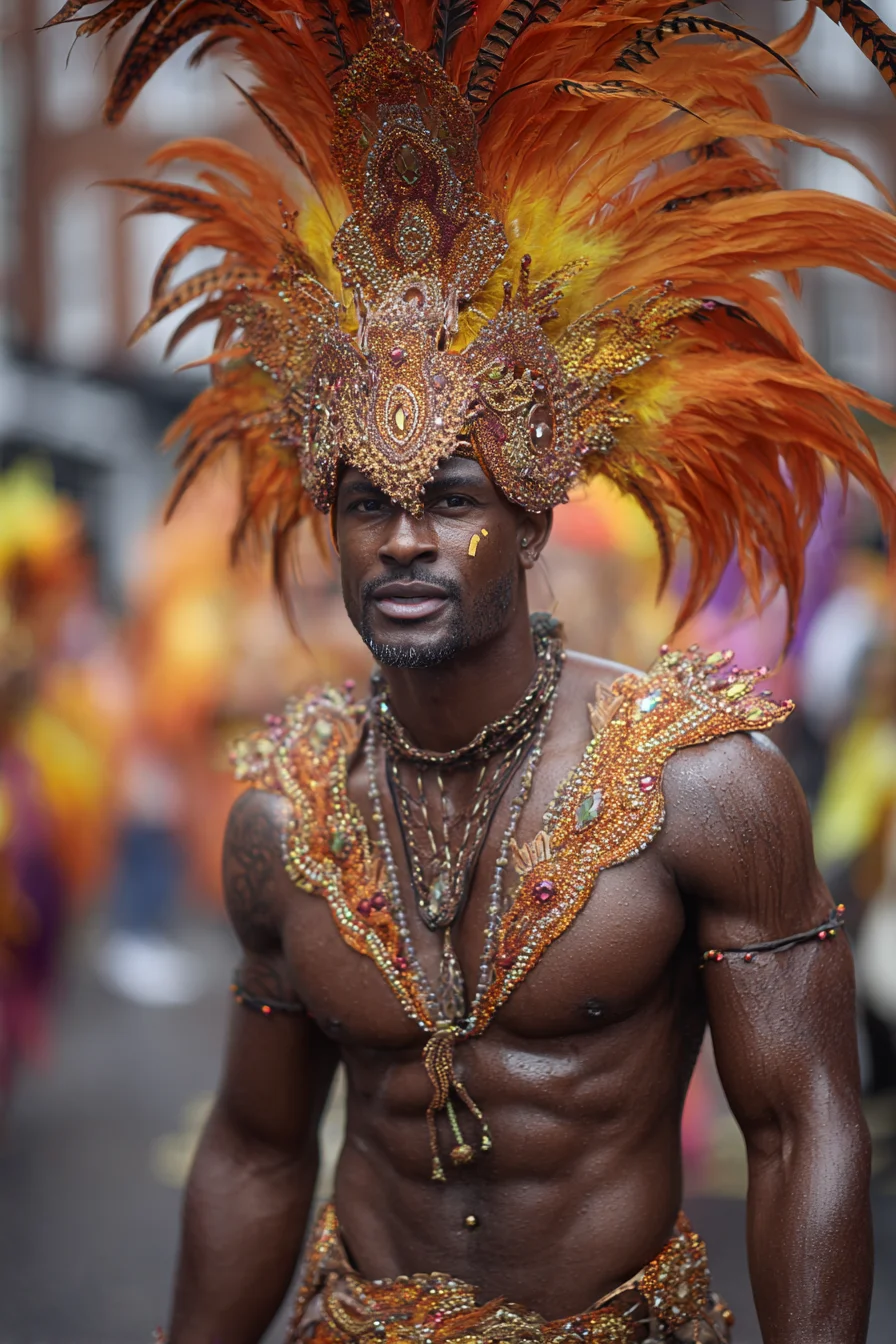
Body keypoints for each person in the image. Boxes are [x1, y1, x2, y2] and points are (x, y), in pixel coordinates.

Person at [46, 2, 896, 1341]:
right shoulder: (284, 816)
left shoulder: (702, 789)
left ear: (534, 522)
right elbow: (258, 1150)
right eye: (365, 504)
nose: (402, 539)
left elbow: (803, 1130)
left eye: (449, 497)